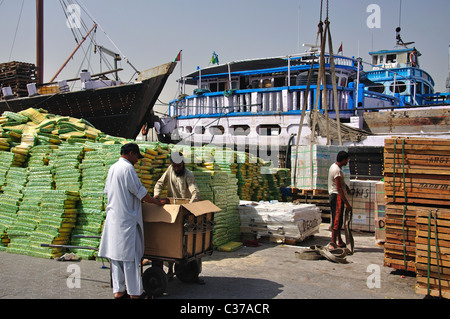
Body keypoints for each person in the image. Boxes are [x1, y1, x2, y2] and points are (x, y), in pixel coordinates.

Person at [98, 143, 169, 299]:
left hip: (113, 219)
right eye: (137, 157)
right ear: (131, 153)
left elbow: (114, 192)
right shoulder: (127, 169)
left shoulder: (112, 168)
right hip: (126, 222)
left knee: (116, 259)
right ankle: (135, 294)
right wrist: (157, 202)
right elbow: (140, 193)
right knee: (130, 259)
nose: (137, 160)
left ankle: (119, 291)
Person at [328, 150, 352, 249]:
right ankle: (333, 243)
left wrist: (346, 187)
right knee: (337, 221)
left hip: (336, 195)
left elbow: (340, 183)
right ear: (343, 160)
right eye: (347, 160)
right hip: (337, 196)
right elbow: (338, 188)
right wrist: (347, 203)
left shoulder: (334, 167)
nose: (347, 162)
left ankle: (340, 241)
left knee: (337, 219)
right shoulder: (337, 171)